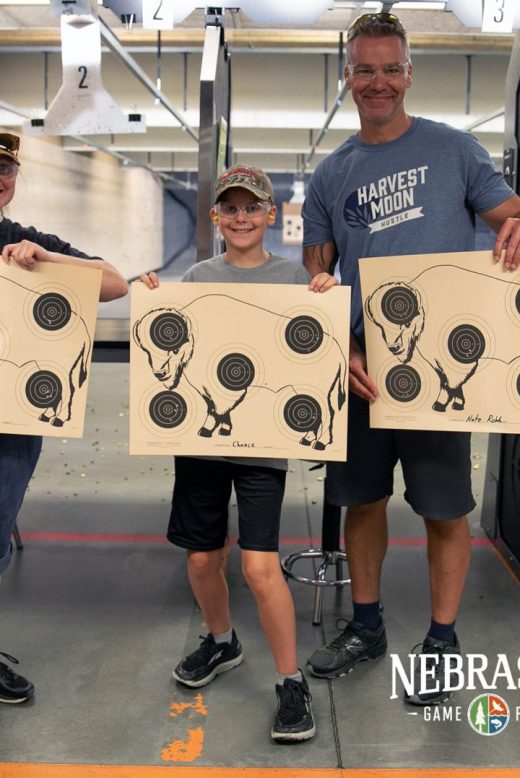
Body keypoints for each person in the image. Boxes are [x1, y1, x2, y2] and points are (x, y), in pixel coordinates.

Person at [302, 13, 520, 705]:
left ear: (408, 74)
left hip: (437, 378)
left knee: (443, 509)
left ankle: (442, 640)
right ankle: (366, 626)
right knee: (363, 503)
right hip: (364, 370)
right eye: (364, 69)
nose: (378, 82)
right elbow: (316, 281)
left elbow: (508, 214)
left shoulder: (456, 152)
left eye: (390, 69)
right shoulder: (332, 174)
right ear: (347, 76)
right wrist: (338, 342)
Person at [140, 164, 335, 742]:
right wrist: (156, 301)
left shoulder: (294, 279)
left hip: (261, 452)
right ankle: (223, 641)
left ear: (271, 216)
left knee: (257, 565)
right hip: (201, 445)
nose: (243, 216)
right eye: (232, 207)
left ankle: (288, 679)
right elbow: (172, 345)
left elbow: (311, 353)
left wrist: (322, 297)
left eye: (253, 207)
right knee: (202, 559)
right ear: (216, 216)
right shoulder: (197, 276)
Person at [0, 131, 129, 704]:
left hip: (11, 421)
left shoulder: (22, 240)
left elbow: (113, 282)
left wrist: (47, 259)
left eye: (6, 170)